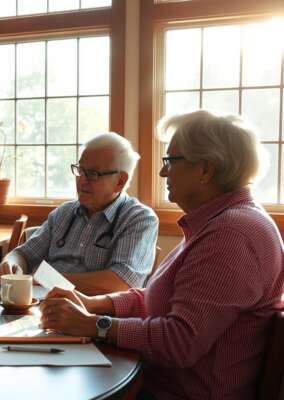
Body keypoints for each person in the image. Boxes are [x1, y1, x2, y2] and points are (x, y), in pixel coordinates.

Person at [41, 110, 284, 399]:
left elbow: (180, 341)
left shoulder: (232, 234)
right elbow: (156, 298)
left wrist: (94, 325)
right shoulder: (216, 223)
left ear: (205, 170)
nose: (162, 172)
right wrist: (94, 304)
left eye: (170, 161)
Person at [0, 132, 158, 295]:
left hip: (91, 316)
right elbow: (23, 254)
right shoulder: (64, 213)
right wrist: (9, 264)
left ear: (120, 181)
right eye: (80, 170)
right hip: (41, 305)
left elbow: (121, 283)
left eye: (93, 174)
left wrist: (51, 280)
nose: (82, 180)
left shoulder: (139, 219)